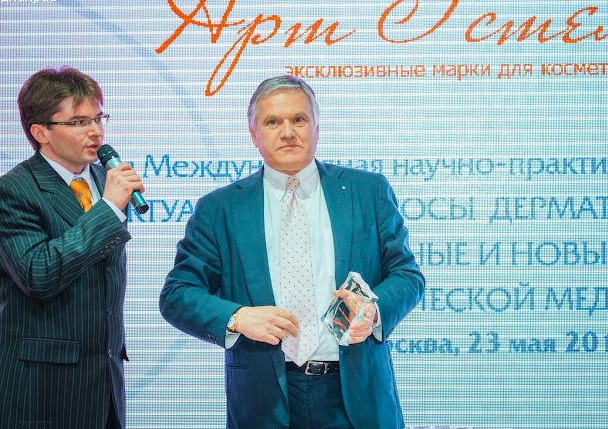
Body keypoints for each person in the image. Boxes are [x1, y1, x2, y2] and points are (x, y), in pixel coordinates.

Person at [160, 75, 424, 429]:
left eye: (298, 119)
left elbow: (407, 275)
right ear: (253, 134)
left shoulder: (368, 191)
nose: (287, 132)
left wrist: (373, 311)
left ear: (317, 127)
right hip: (263, 400)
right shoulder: (219, 209)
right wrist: (237, 318)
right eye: (273, 122)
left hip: (357, 396)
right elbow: (177, 294)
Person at [0, 67, 145, 429]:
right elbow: (38, 274)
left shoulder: (104, 179)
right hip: (43, 388)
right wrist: (108, 208)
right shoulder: (14, 191)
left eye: (98, 118)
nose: (95, 131)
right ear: (40, 132)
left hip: (106, 379)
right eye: (79, 122)